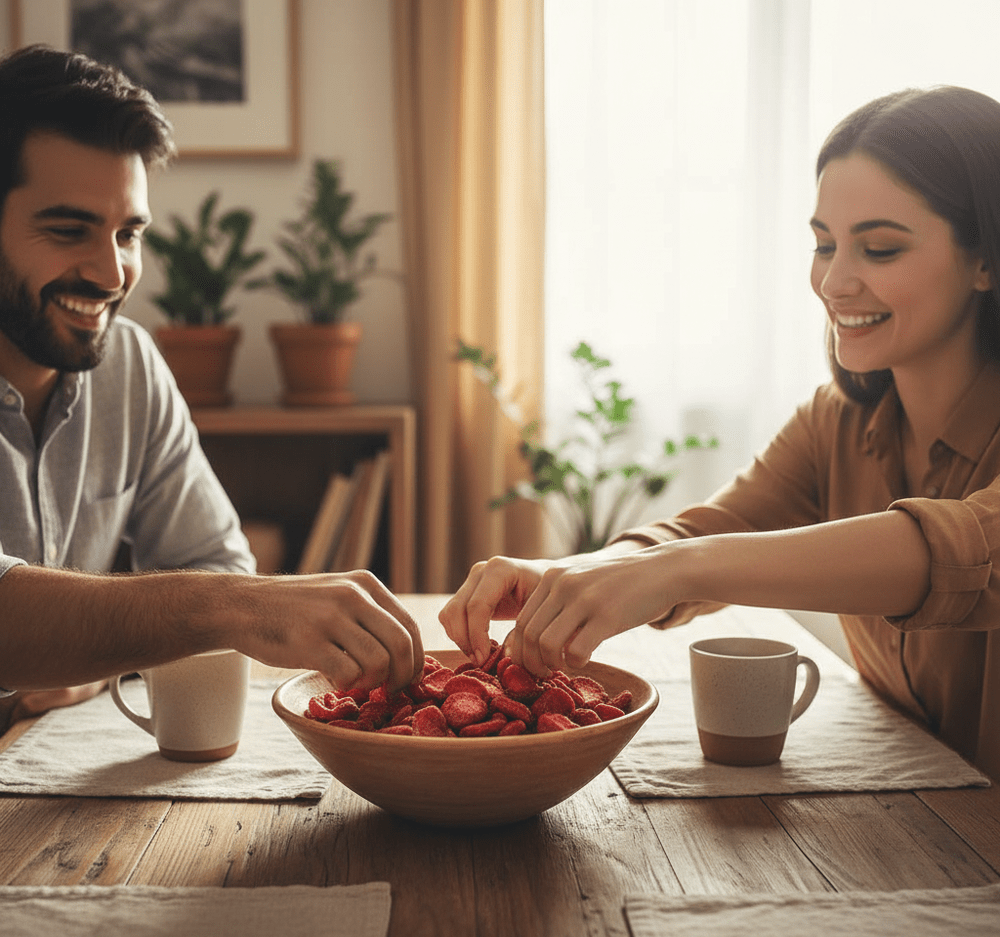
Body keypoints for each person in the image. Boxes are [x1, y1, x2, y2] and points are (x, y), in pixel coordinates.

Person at [440, 85, 1000, 781]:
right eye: (824, 244)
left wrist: (672, 571)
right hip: (922, 827)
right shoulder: (836, 422)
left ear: (986, 260)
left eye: (880, 249)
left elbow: (962, 551)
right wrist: (568, 578)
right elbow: (701, 533)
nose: (834, 281)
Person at [0, 45, 422, 725]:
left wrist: (79, 659)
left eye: (129, 234)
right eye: (69, 229)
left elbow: (215, 560)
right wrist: (235, 609)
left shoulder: (128, 365)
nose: (112, 275)